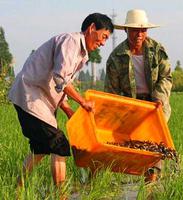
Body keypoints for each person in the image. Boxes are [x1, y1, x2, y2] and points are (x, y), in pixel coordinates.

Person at [9, 13, 114, 187]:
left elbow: (61, 85)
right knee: (60, 145)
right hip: (31, 96)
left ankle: (17, 189)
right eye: (103, 37)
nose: (103, 43)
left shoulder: (80, 53)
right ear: (92, 28)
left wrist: (67, 110)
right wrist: (82, 102)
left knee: (41, 148)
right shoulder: (71, 42)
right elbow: (60, 78)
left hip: (37, 98)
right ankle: (61, 195)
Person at [104, 9, 172, 182]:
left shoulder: (157, 50)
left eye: (143, 30)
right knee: (135, 146)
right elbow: (111, 90)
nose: (139, 34)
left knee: (155, 143)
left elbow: (166, 76)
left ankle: (152, 180)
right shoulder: (116, 57)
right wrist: (115, 115)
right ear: (126, 30)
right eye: (135, 30)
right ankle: (138, 176)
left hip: (156, 104)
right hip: (131, 106)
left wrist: (158, 98)